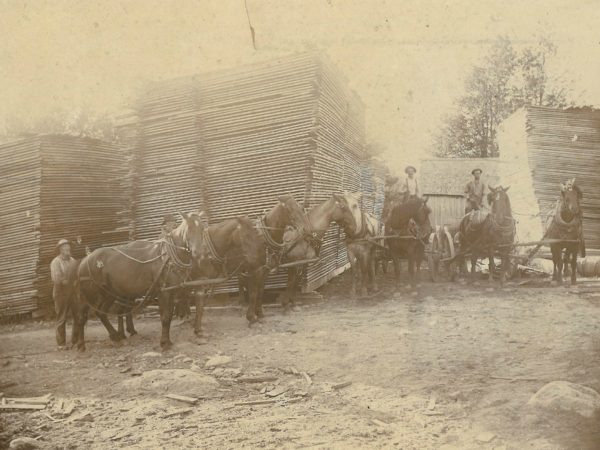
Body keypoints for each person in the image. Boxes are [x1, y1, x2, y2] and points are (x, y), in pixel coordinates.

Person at [50, 239, 78, 349]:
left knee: (77, 316)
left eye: (68, 248)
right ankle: (61, 344)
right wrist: (71, 282)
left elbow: (77, 274)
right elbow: (58, 279)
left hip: (73, 293)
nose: (67, 250)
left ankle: (75, 340)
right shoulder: (56, 262)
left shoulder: (73, 261)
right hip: (60, 293)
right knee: (62, 317)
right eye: (64, 248)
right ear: (60, 250)